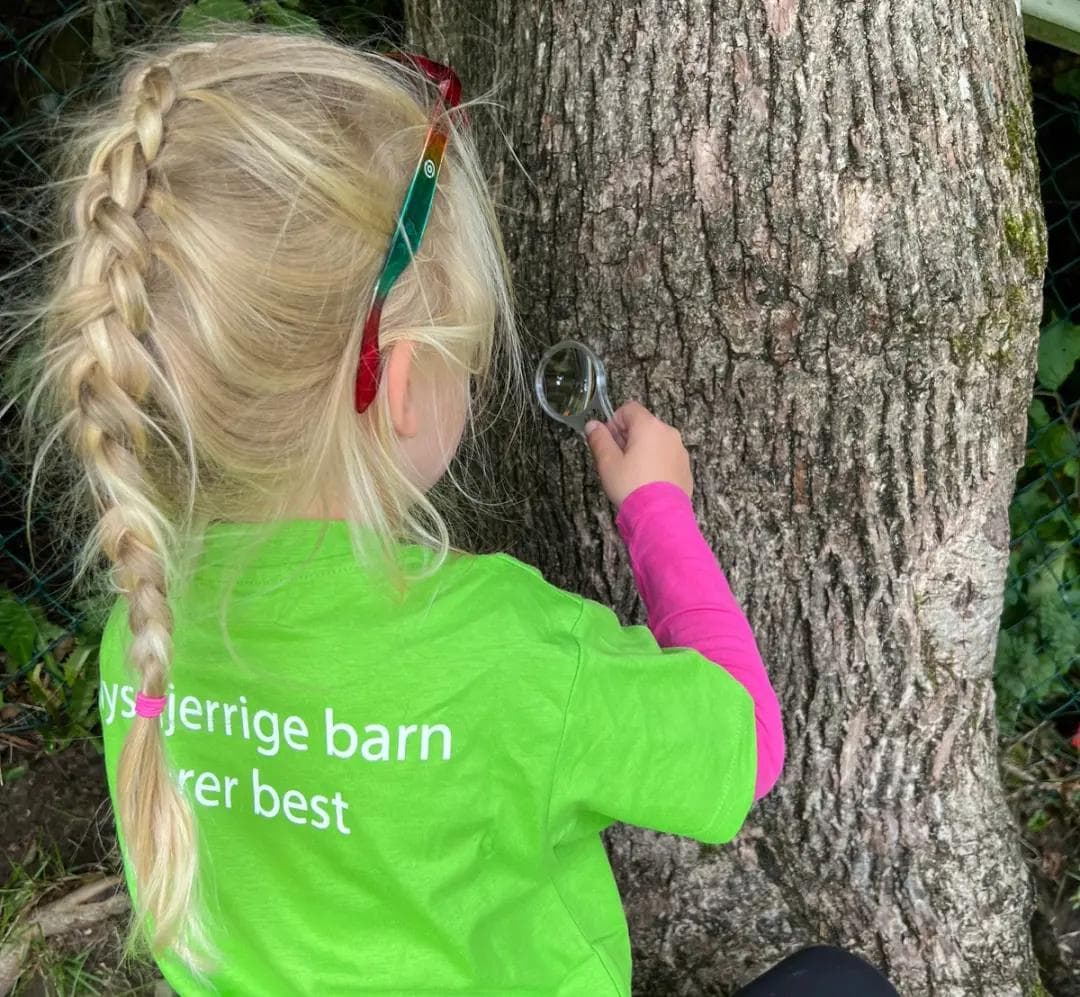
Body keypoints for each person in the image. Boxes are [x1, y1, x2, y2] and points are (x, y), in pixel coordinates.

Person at [5, 27, 893, 997]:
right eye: (470, 351)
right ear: (402, 385)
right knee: (834, 983)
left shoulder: (147, 631)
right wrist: (658, 513)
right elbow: (746, 745)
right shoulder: (509, 652)